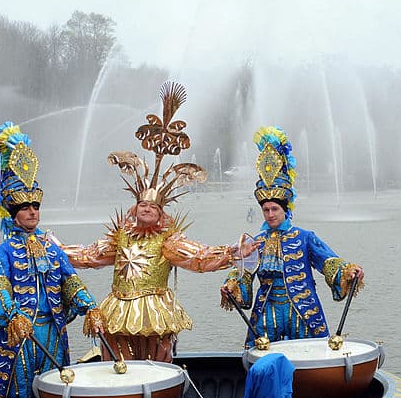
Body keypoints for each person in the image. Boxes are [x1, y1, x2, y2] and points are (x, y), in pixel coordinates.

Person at [61, 81, 255, 364]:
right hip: (119, 307)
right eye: (143, 205)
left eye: (153, 206)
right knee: (116, 361)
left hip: (155, 308)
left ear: (162, 212)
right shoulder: (121, 238)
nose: (147, 209)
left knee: (156, 362)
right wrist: (56, 250)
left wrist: (231, 253)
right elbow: (90, 255)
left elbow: (197, 257)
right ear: (135, 208)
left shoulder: (167, 241)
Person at [0, 122, 105, 398]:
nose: (32, 212)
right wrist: (13, 314)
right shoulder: (3, 251)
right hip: (21, 331)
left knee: (48, 394)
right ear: (13, 213)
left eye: (35, 206)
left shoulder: (52, 246)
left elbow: (70, 279)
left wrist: (90, 306)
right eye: (25, 207)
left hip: (52, 328)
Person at [220, 126, 363, 348]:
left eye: (274, 210)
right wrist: (232, 286)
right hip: (267, 309)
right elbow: (243, 272)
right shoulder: (256, 241)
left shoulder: (304, 237)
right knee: (263, 356)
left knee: (310, 354)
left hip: (303, 309)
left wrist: (347, 271)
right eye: (266, 210)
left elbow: (328, 261)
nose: (270, 214)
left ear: (285, 211)